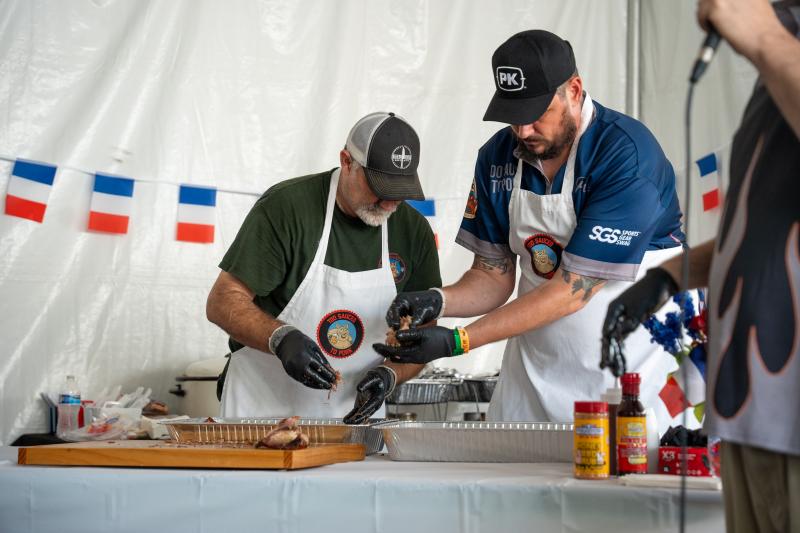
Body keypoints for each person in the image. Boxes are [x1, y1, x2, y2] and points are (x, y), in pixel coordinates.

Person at [374, 30, 685, 425]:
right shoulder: (497, 157)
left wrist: (458, 340)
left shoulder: (626, 155)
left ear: (574, 90)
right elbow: (492, 276)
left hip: (631, 374)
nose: (522, 132)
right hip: (535, 378)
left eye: (536, 115)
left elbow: (574, 290)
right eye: (513, 117)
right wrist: (437, 300)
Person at [601, 1, 800, 531]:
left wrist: (765, 38)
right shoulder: (776, 76)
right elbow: (758, 228)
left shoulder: (779, 51)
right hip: (752, 416)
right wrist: (666, 279)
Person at [207, 112, 441, 424]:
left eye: (399, 192)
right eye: (379, 188)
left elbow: (424, 332)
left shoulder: (413, 231)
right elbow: (222, 301)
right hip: (261, 412)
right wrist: (281, 338)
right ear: (347, 161)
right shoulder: (288, 208)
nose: (388, 204)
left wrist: (390, 374)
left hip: (355, 421)